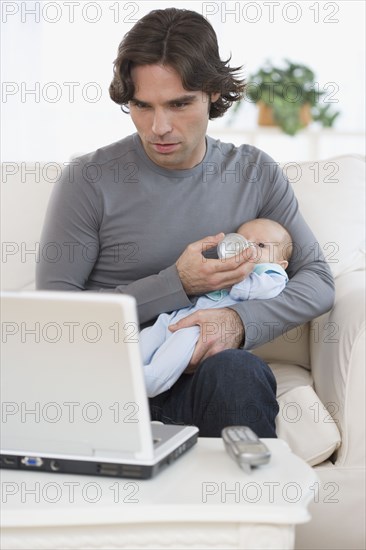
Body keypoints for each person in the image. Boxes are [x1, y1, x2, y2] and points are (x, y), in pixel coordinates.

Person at [36, 8, 334, 438]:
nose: (159, 127)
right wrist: (179, 282)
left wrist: (237, 320)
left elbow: (318, 279)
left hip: (205, 380)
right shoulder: (90, 178)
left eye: (179, 104)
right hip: (108, 381)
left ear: (213, 94)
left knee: (238, 371)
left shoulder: (254, 173)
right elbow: (56, 315)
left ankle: (243, 501)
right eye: (142, 105)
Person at [141, 218, 292, 397]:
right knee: (151, 332)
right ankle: (127, 366)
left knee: (180, 344)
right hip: (181, 314)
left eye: (260, 245)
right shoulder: (225, 266)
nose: (248, 248)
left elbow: (262, 288)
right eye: (242, 240)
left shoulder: (272, 275)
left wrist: (231, 280)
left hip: (203, 329)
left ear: (280, 264)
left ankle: (151, 381)